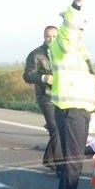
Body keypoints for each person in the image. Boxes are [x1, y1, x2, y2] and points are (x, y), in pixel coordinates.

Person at [48, 0, 95, 189]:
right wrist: (76, 5)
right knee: (74, 158)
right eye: (79, 28)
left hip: (80, 109)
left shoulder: (81, 52)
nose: (81, 32)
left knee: (74, 157)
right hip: (70, 110)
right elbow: (68, 33)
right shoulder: (62, 46)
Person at [22, 25, 62, 173]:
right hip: (46, 97)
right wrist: (44, 77)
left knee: (60, 129)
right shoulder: (36, 54)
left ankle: (49, 159)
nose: (51, 39)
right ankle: (61, 166)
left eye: (54, 36)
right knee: (56, 128)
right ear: (44, 37)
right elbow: (27, 76)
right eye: (48, 36)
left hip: (62, 97)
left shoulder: (63, 53)